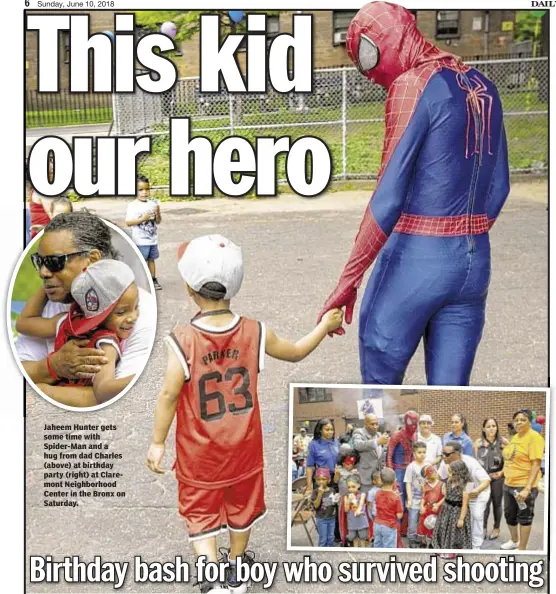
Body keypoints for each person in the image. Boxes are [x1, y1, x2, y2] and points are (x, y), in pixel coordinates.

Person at [317, 2, 509, 386]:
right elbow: (499, 189)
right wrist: (463, 234)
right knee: (452, 395)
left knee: (379, 382)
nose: (369, 74)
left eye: (366, 58)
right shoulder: (483, 85)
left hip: (417, 255)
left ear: (384, 40)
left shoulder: (413, 84)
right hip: (474, 261)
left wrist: (347, 282)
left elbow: (387, 200)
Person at [145, 234, 343, 594]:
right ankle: (236, 568)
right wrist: (324, 327)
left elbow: (169, 393)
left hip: (199, 456)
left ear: (189, 289)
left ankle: (211, 575)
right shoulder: (255, 330)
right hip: (244, 451)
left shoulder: (182, 338)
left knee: (200, 513)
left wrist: (158, 442)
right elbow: (297, 352)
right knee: (241, 508)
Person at [15, 212, 156, 408]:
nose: (43, 272)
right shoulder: (62, 309)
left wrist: (44, 387)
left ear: (92, 260)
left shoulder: (141, 315)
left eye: (55, 262)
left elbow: (118, 399)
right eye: (40, 261)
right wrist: (51, 367)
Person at [16, 260, 139, 406]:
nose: (134, 317)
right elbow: (102, 391)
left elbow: (24, 322)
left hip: (67, 393)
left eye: (137, 306)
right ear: (101, 316)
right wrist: (48, 283)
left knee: (38, 390)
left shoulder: (69, 323)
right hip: (66, 395)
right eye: (121, 312)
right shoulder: (103, 342)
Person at [500, 409, 545, 551]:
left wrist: (527, 488)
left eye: (523, 419)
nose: (518, 422)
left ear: (530, 422)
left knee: (524, 516)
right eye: (516, 420)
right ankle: (514, 540)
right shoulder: (516, 437)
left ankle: (522, 548)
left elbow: (536, 464)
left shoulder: (534, 438)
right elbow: (512, 459)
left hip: (523, 486)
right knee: (509, 514)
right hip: (509, 484)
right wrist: (502, 473)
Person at [438, 441, 491, 549]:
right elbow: (440, 477)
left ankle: (476, 545)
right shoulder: (445, 462)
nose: (444, 457)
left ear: (458, 453)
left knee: (476, 515)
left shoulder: (471, 463)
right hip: (460, 493)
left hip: (477, 492)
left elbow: (486, 480)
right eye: (442, 454)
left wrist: (476, 491)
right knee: (459, 517)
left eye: (447, 454)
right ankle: (460, 541)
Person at [126, 175, 163, 290]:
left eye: (147, 189)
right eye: (140, 190)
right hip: (140, 241)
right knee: (141, 262)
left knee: (151, 260)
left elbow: (158, 221)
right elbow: (128, 222)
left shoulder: (153, 204)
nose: (144, 192)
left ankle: (153, 279)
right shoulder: (132, 206)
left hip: (152, 239)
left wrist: (158, 213)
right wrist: (143, 218)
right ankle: (140, 281)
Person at [474, 417, 508, 541]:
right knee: (485, 504)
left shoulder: (504, 442)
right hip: (484, 479)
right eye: (488, 426)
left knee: (497, 504)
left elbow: (511, 461)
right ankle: (482, 528)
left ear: (497, 427)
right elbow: (476, 463)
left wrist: (503, 472)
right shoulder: (478, 443)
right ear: (484, 428)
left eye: (494, 426)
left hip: (498, 478)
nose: (491, 429)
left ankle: (496, 528)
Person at [386, 410, 419, 525]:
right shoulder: (397, 435)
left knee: (410, 500)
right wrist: (392, 476)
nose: (413, 427)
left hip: (409, 471)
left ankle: (405, 528)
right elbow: (389, 456)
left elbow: (413, 455)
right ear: (406, 422)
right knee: (399, 500)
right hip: (398, 471)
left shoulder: (415, 436)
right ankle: (397, 531)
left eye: (415, 424)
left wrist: (415, 470)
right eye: (411, 424)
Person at [432, 460, 472, 551]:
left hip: (457, 512)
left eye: (451, 473)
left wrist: (461, 519)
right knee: (443, 528)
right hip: (446, 510)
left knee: (455, 532)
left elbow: (465, 504)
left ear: (459, 473)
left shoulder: (466, 486)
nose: (449, 475)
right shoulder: (449, 481)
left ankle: (454, 551)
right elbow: (446, 497)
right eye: (449, 472)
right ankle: (443, 548)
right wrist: (438, 505)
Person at [352, 414, 389, 494]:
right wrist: (377, 442)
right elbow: (358, 445)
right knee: (366, 501)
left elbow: (380, 456)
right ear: (365, 424)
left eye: (377, 424)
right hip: (366, 476)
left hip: (378, 477)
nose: (375, 426)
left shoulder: (379, 434)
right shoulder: (359, 432)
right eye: (372, 424)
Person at [305, 419, 342, 493]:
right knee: (323, 503)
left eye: (332, 429)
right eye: (327, 430)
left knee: (335, 502)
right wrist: (309, 487)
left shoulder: (336, 442)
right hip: (322, 479)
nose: (330, 432)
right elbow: (309, 467)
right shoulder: (313, 444)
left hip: (336, 478)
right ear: (320, 430)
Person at [404, 441, 427, 547]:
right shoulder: (411, 467)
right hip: (414, 497)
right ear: (414, 454)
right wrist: (409, 498)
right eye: (419, 452)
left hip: (425, 498)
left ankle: (421, 536)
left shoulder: (428, 465)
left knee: (422, 519)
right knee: (413, 520)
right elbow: (408, 483)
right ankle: (412, 538)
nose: (422, 454)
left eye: (424, 452)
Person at [374, 468, 403, 548]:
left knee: (378, 545)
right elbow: (399, 515)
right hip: (389, 525)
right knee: (389, 548)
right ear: (394, 481)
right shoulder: (396, 497)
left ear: (381, 480)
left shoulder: (377, 493)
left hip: (377, 524)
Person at [417, 465, 444, 547]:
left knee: (434, 526)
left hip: (436, 510)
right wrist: (421, 506)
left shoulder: (442, 484)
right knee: (423, 525)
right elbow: (423, 497)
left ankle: (433, 542)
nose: (433, 472)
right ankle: (423, 542)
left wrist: (438, 504)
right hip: (426, 510)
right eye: (430, 471)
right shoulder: (425, 485)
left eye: (433, 470)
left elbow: (445, 496)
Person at [311, 468, 338, 548]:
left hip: (332, 518)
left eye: (324, 479)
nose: (321, 481)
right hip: (321, 519)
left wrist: (337, 500)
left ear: (329, 480)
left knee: (331, 537)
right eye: (319, 479)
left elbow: (334, 502)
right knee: (323, 539)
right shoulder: (315, 491)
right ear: (316, 481)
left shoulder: (332, 490)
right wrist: (319, 494)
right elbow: (315, 505)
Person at [341, 474, 369, 548]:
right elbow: (346, 510)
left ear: (358, 485)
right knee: (353, 537)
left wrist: (359, 509)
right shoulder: (346, 496)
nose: (351, 489)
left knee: (363, 537)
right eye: (349, 487)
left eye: (353, 486)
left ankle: (363, 551)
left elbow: (361, 504)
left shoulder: (362, 494)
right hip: (352, 521)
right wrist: (348, 501)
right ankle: (355, 550)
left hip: (361, 520)